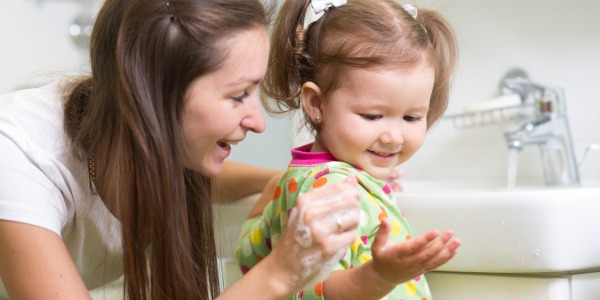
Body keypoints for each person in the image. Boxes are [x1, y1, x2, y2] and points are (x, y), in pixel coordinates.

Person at [0, 0, 365, 299]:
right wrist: (281, 272)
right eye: (239, 94)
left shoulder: (134, 137)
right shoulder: (18, 158)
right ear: (153, 98)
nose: (258, 121)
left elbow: (211, 182)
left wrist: (282, 182)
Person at [236, 0, 462, 299]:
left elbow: (248, 256)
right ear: (316, 103)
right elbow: (318, 289)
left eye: (411, 117)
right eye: (372, 116)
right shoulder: (334, 191)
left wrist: (274, 192)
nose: (394, 136)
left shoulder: (304, 180)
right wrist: (379, 275)